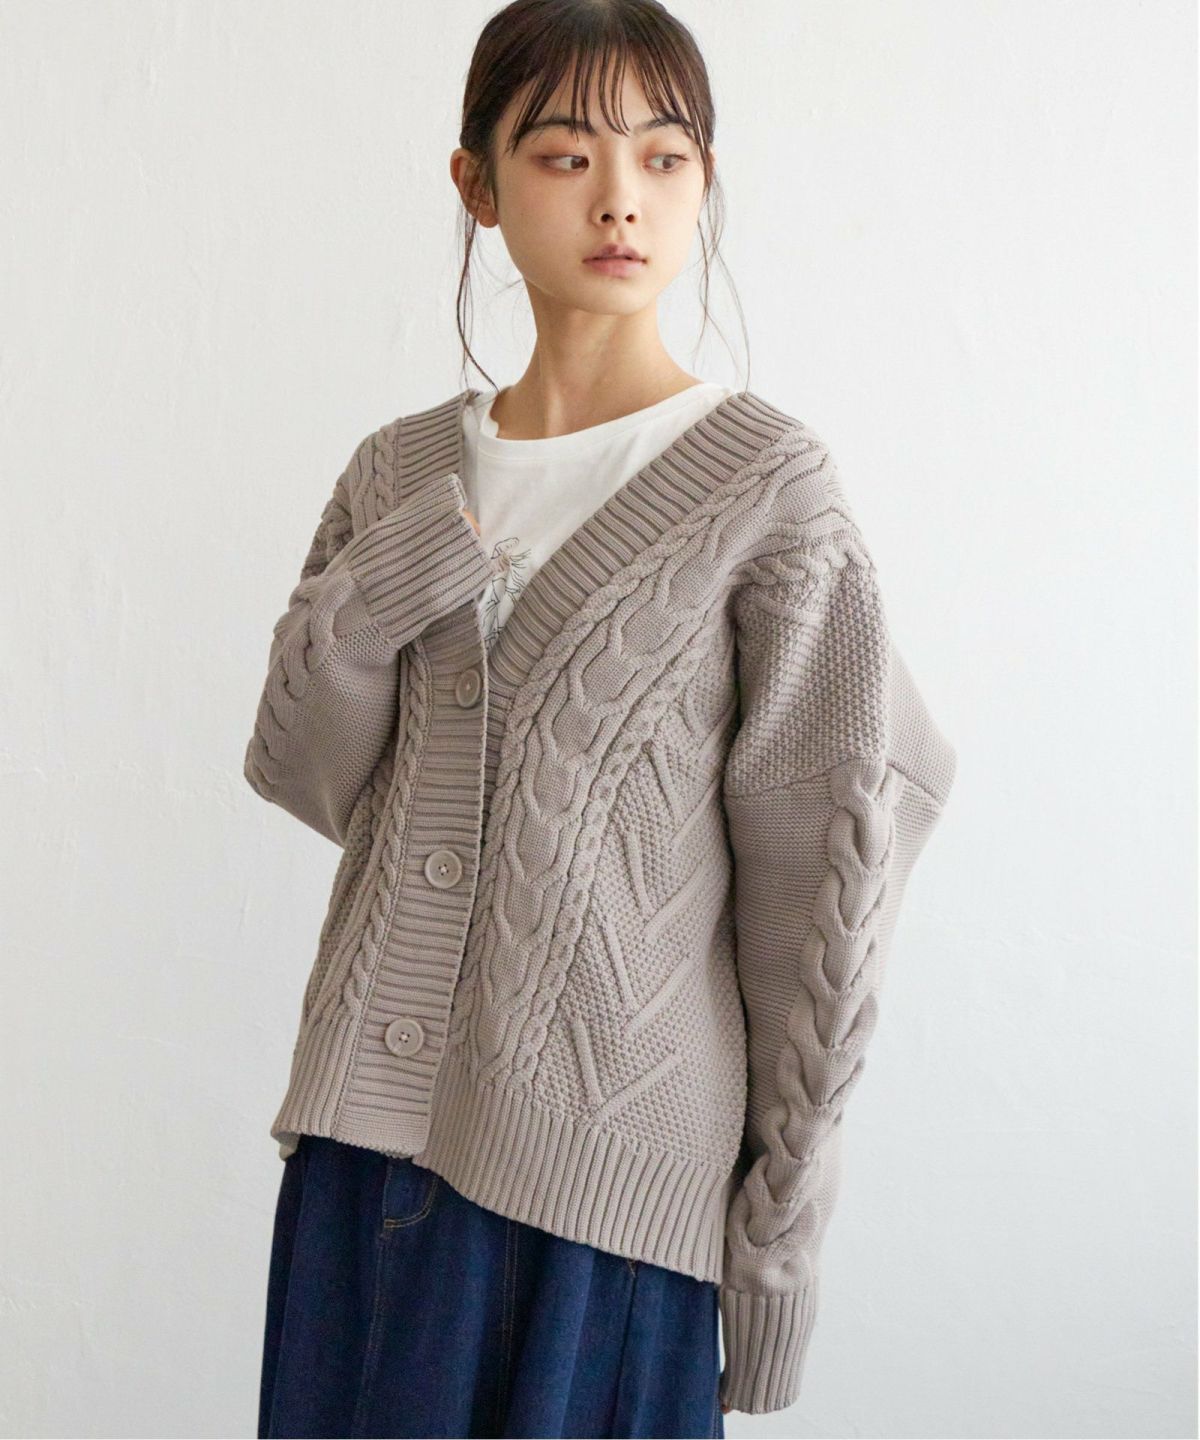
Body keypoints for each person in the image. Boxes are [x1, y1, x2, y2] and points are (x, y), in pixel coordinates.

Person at [247, 2, 958, 1436]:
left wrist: (773, 1253)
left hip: (604, 1200)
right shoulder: (395, 473)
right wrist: (390, 583)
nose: (621, 198)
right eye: (567, 155)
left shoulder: (769, 493)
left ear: (704, 183)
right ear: (477, 183)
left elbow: (826, 887)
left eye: (664, 157)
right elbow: (302, 770)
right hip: (358, 1159)